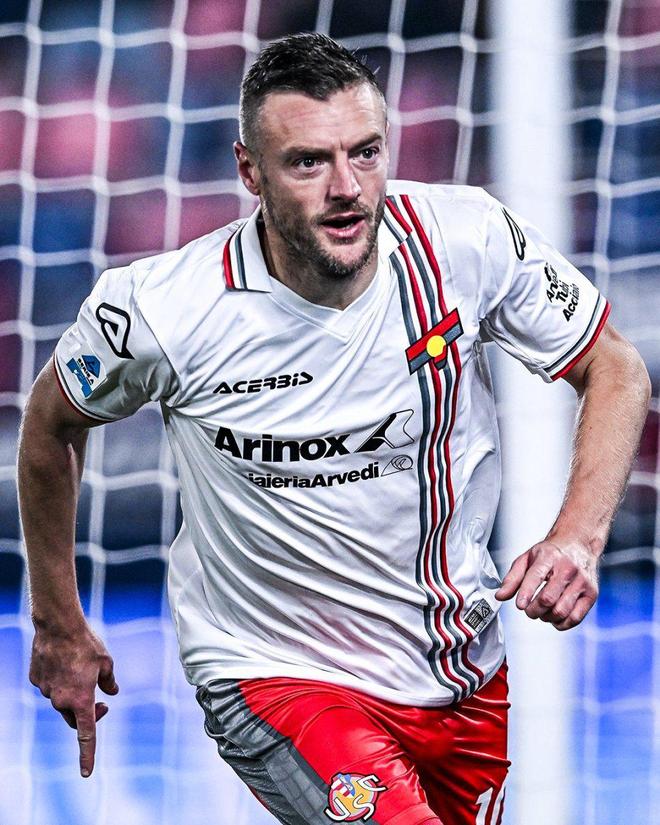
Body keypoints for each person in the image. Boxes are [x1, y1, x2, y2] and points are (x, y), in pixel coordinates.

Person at [18, 32, 649, 825]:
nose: (347, 187)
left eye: (366, 153)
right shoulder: (163, 309)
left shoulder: (467, 240)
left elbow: (615, 365)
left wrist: (577, 537)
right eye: (309, 162)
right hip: (273, 676)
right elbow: (50, 424)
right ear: (250, 171)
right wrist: (57, 621)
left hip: (460, 673)